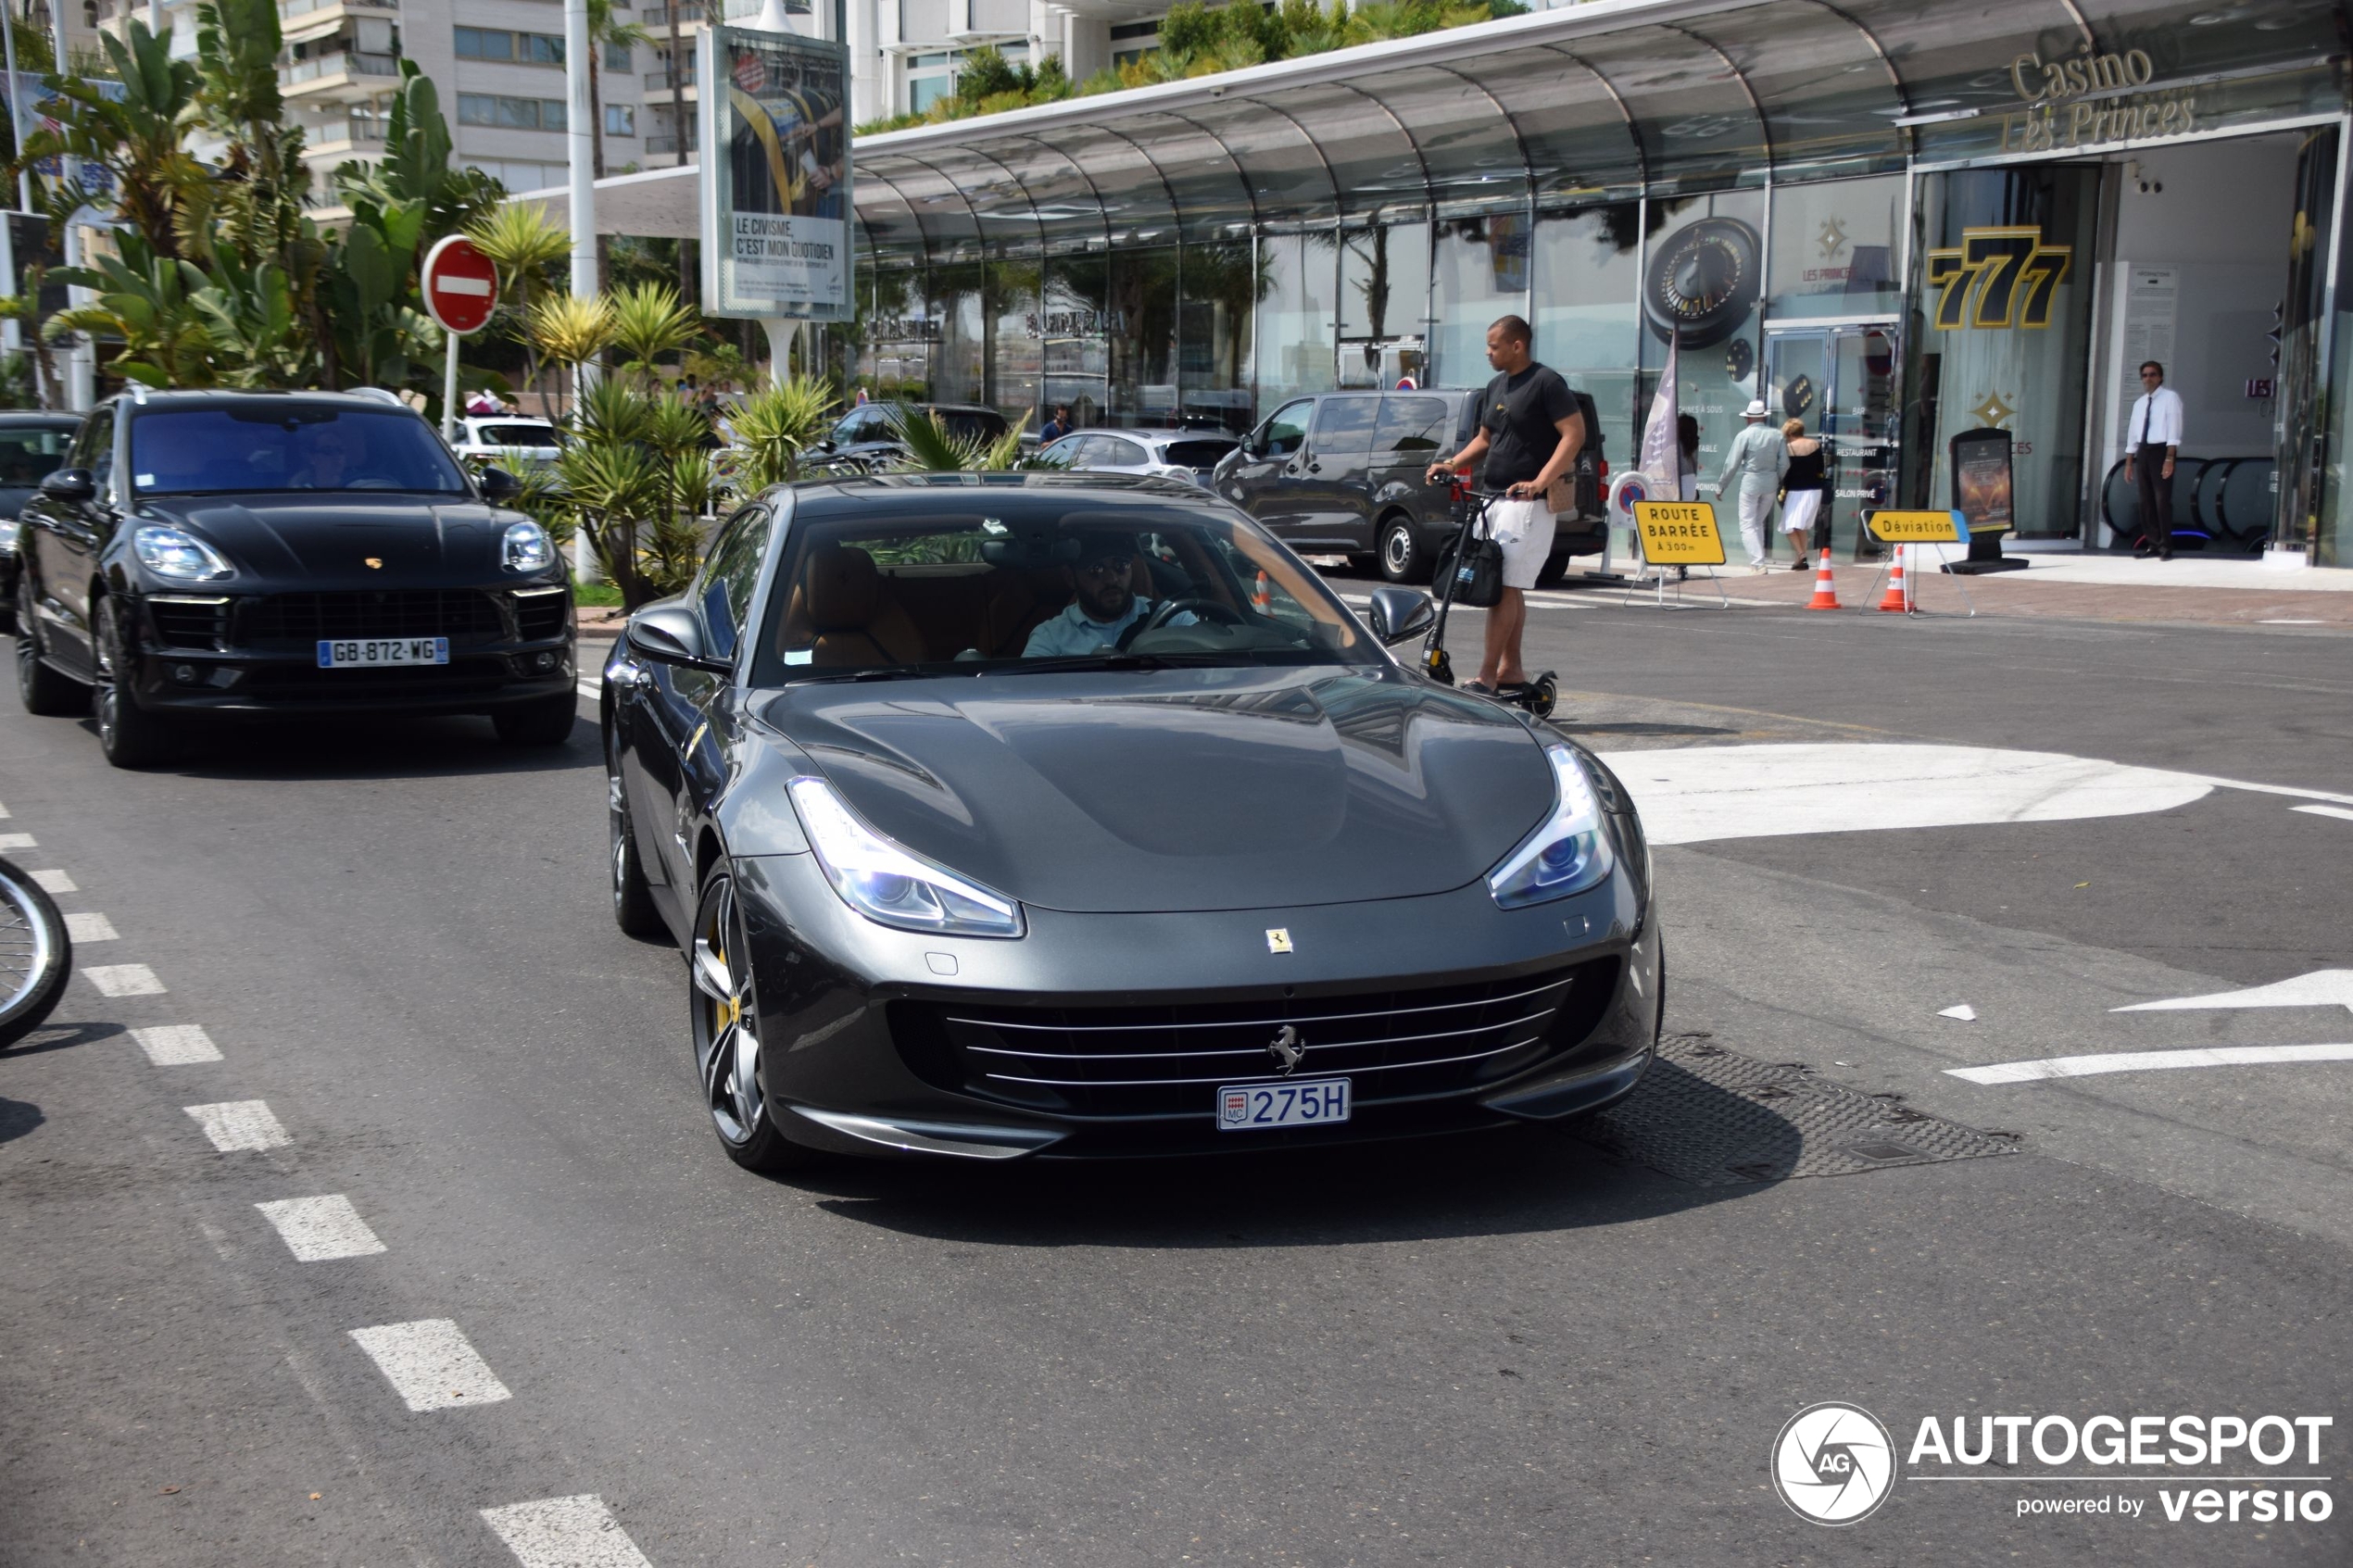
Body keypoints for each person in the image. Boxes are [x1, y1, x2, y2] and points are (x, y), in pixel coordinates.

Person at [1423, 314, 1584, 696]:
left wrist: (1540, 482)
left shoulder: (1546, 382)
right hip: (1493, 497)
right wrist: (1452, 463)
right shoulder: (1496, 386)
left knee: (1504, 587)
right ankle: (1511, 669)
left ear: (1517, 345)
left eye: (1494, 346)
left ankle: (1488, 676)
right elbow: (1484, 439)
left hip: (1527, 503)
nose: (1487, 352)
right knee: (1506, 586)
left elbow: (1574, 434)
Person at [1022, 530, 1195, 657]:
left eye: (1121, 566)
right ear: (1070, 577)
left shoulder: (1169, 616)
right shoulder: (1050, 638)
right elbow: (1028, 697)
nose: (1112, 579)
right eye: (1096, 569)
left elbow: (1212, 654)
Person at [1717, 399, 1788, 572]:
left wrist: (1721, 485)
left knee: (1747, 525)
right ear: (1763, 417)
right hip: (1770, 483)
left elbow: (1731, 464)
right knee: (1757, 523)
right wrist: (1777, 478)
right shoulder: (1777, 435)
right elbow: (1784, 464)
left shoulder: (1744, 435)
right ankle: (1757, 562)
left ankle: (1758, 563)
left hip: (1751, 482)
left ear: (1749, 418)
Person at [2124, 359, 2183, 559]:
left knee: (2161, 500)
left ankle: (2166, 546)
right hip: (2144, 451)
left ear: (2160, 377)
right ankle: (2153, 544)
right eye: (2145, 375)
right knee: (2145, 501)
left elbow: (2174, 428)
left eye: (2152, 374)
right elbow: (2133, 432)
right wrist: (2129, 461)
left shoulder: (2170, 398)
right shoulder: (2140, 403)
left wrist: (2169, 458)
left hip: (2161, 450)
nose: (2148, 378)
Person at [1779, 419, 1825, 570]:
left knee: (1788, 525)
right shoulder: (1815, 445)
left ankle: (1802, 556)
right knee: (1802, 526)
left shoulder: (1789, 448)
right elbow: (1820, 468)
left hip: (1796, 490)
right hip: (1814, 489)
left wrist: (1783, 489)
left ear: (1790, 433)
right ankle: (1801, 560)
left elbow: (1787, 472)